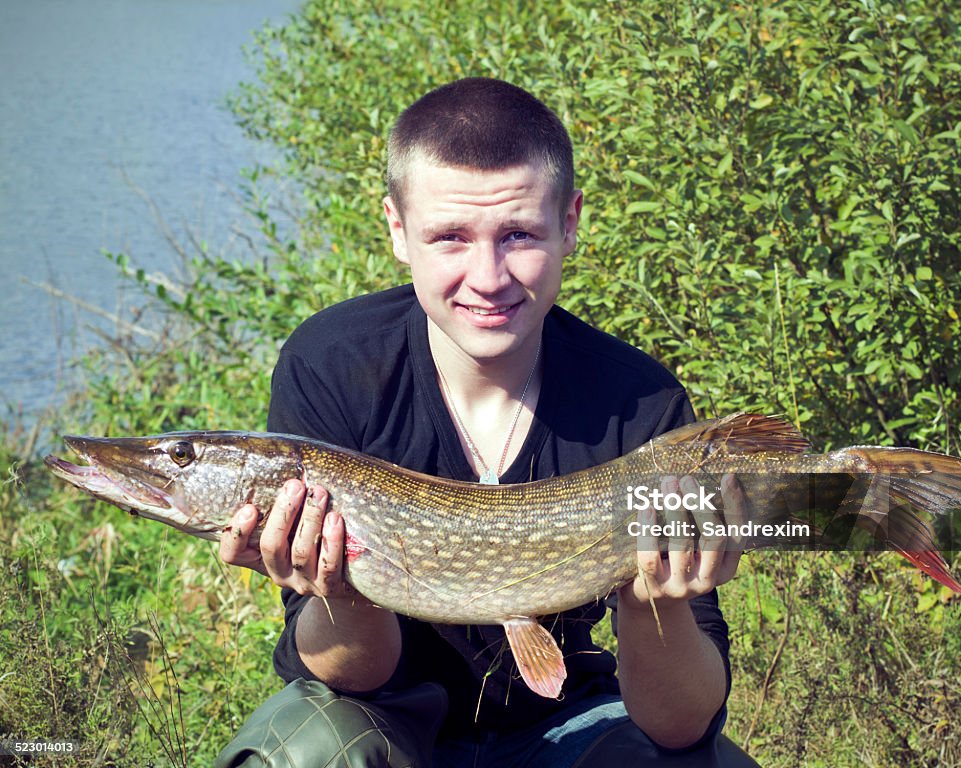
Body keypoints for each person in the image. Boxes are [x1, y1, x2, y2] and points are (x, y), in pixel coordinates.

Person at [215, 78, 759, 768]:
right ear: (396, 231)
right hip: (388, 718)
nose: (487, 276)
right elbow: (350, 673)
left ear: (569, 224)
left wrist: (659, 601)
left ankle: (882, 508)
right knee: (303, 751)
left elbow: (682, 728)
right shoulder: (332, 366)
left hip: (571, 723)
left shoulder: (639, 403)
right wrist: (339, 587)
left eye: (519, 235)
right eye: (449, 237)